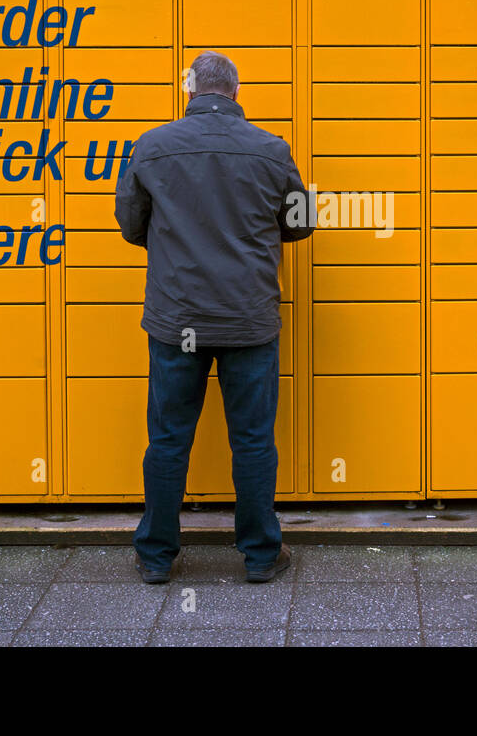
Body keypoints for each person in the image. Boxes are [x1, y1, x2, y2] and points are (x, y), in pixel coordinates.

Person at [115, 50, 313, 584]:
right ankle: (260, 555)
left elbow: (131, 227)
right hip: (247, 319)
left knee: (168, 438)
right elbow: (300, 224)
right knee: (251, 439)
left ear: (191, 90)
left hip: (175, 317)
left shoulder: (152, 146)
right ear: (236, 90)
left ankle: (157, 556)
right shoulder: (272, 150)